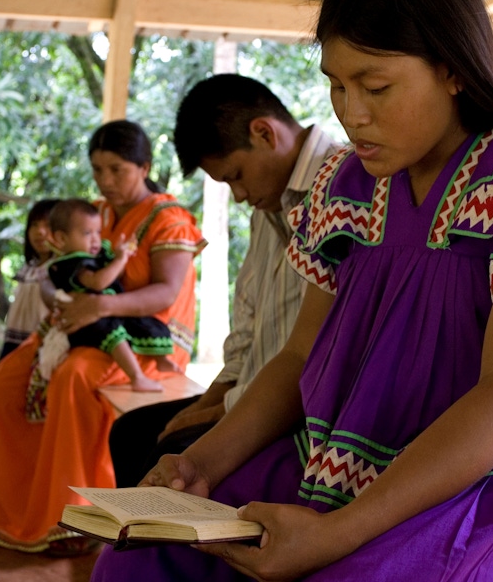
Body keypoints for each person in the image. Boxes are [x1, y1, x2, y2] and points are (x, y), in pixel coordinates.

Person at [92, 0, 493, 581]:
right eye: (336, 86)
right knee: (146, 560)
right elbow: (299, 358)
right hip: (347, 460)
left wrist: (333, 534)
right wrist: (202, 464)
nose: (352, 115)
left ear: (453, 68)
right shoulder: (347, 187)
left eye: (375, 86)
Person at [0, 120, 206, 554]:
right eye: (97, 170)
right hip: (84, 331)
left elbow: (164, 292)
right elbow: (58, 272)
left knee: (73, 378)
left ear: (144, 166)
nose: (105, 181)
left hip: (150, 341)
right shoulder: (94, 214)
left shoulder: (171, 218)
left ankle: (75, 519)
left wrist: (99, 306)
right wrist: (61, 304)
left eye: (116, 170)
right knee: (0, 386)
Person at [109, 74, 340, 487]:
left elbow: (311, 353)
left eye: (235, 175)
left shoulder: (343, 188)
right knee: (133, 432)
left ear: (264, 133)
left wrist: (220, 411)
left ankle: (149, 547)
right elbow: (249, 328)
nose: (237, 194)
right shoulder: (266, 206)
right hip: (250, 391)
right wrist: (214, 399)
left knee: (167, 451)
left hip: (307, 408)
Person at [48, 198, 178, 392]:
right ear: (61, 239)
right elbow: (99, 282)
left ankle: (161, 359)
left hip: (106, 310)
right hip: (90, 321)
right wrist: (120, 259)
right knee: (116, 338)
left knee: (146, 324)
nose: (95, 239)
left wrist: (119, 256)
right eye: (86, 233)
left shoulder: (93, 256)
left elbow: (110, 275)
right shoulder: (71, 263)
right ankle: (137, 377)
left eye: (98, 232)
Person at [0, 199, 59, 360]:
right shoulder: (28, 268)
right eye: (34, 225)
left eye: (48, 225)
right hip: (14, 343)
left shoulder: (60, 269)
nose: (40, 231)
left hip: (43, 346)